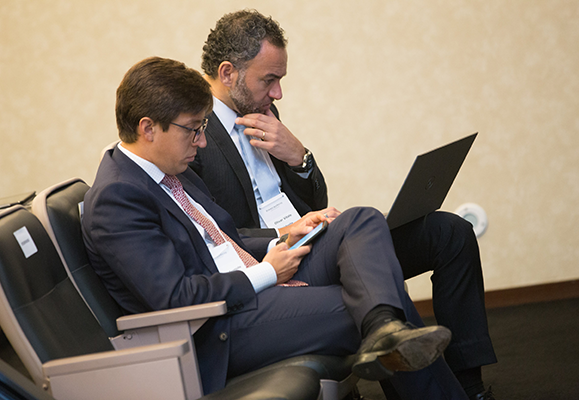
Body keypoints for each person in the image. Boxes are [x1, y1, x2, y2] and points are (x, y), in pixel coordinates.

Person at [82, 56, 473, 399]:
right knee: (367, 301)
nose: (201, 142)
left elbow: (222, 237)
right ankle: (389, 332)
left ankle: (384, 328)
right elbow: (176, 298)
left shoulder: (166, 164)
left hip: (250, 281)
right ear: (148, 128)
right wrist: (267, 273)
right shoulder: (117, 197)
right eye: (193, 129)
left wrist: (282, 237)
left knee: (361, 220)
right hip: (221, 325)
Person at [189, 10, 497, 400]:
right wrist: (282, 233)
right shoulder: (193, 135)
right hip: (280, 259)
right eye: (269, 80)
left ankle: (469, 386)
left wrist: (299, 157)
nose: (278, 93)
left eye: (280, 80)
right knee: (374, 273)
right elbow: (211, 234)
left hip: (318, 239)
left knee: (450, 232)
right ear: (228, 72)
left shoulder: (266, 113)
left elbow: (315, 201)